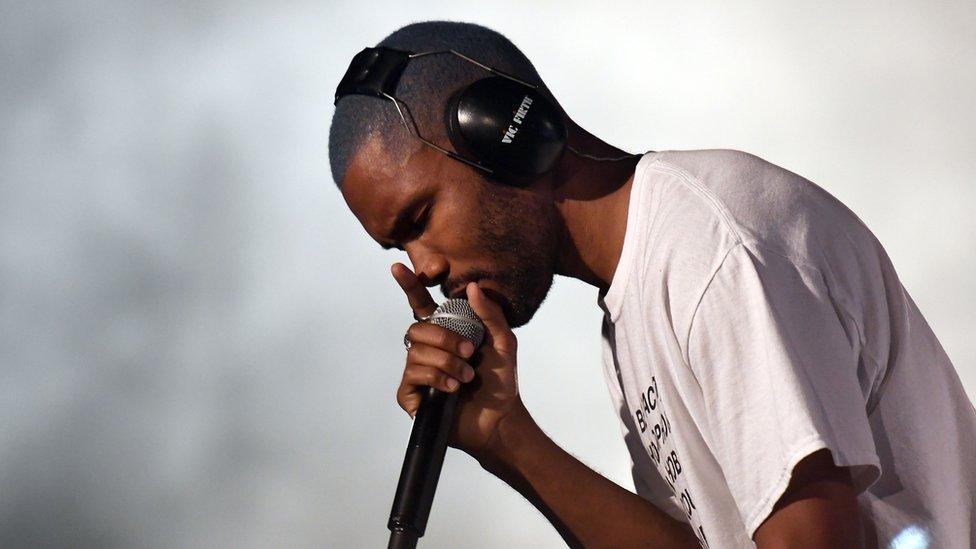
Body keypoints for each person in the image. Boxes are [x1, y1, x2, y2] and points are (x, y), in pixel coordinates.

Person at [329, 21, 976, 548]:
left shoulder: (709, 251)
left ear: (503, 132)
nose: (426, 266)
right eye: (400, 247)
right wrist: (506, 438)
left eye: (419, 220)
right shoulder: (634, 300)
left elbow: (813, 536)